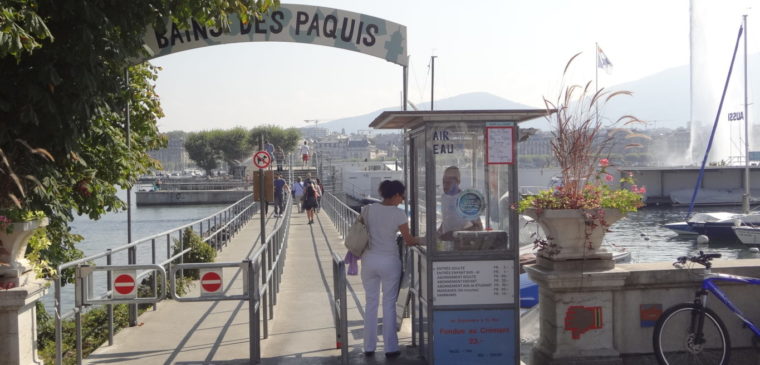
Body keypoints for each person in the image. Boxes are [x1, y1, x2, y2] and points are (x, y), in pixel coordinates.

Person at [361, 180, 418, 359]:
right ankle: (390, 348)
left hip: (369, 260)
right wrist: (427, 239)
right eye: (402, 196)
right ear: (394, 195)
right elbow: (409, 240)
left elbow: (359, 231)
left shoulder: (367, 210)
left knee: (370, 303)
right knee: (388, 304)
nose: (402, 200)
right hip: (389, 261)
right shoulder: (398, 214)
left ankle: (368, 346)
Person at [437, 166, 483, 242]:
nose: (445, 186)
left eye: (448, 183)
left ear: (458, 182)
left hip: (464, 245)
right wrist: (438, 233)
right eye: (443, 182)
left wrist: (456, 234)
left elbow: (478, 227)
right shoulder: (444, 198)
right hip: (447, 245)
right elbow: (447, 221)